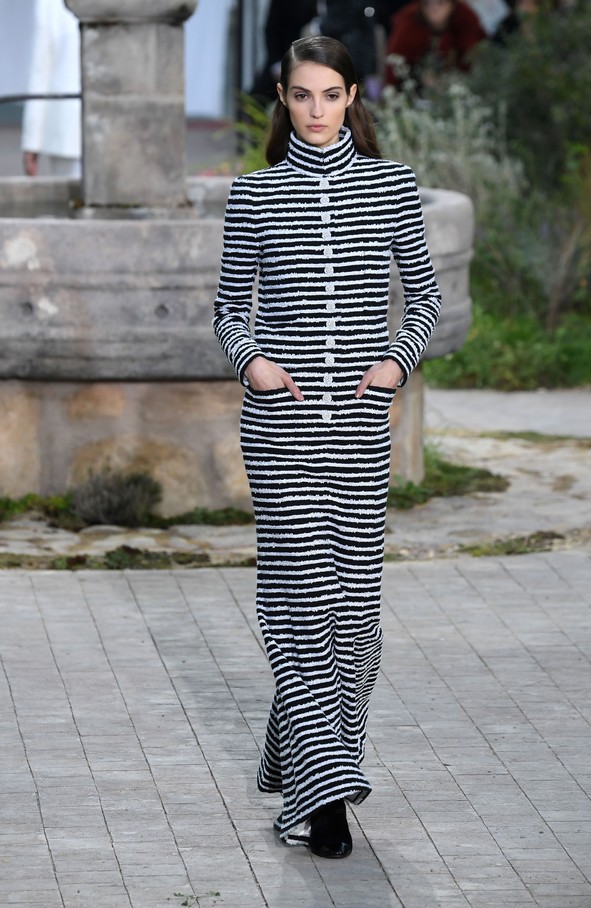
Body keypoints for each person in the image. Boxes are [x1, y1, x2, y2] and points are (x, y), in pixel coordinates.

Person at [213, 36, 441, 858]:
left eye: (330, 95)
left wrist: (394, 365)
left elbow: (425, 297)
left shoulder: (391, 186)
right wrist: (256, 366)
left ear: (352, 98)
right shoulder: (255, 195)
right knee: (301, 614)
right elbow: (228, 311)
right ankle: (327, 799)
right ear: (282, 97)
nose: (315, 110)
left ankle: (292, 748)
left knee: (356, 625)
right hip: (279, 433)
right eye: (301, 96)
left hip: (361, 435)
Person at [21, 0, 81, 178]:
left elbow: (41, 69)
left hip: (67, 128)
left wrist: (31, 141)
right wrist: (31, 141)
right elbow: (41, 69)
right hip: (67, 131)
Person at [385, 0, 486, 86]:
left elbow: (475, 54)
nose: (433, 8)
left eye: (440, 3)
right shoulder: (408, 25)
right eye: (427, 3)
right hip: (417, 86)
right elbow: (394, 69)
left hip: (458, 83)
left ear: (451, 5)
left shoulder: (464, 19)